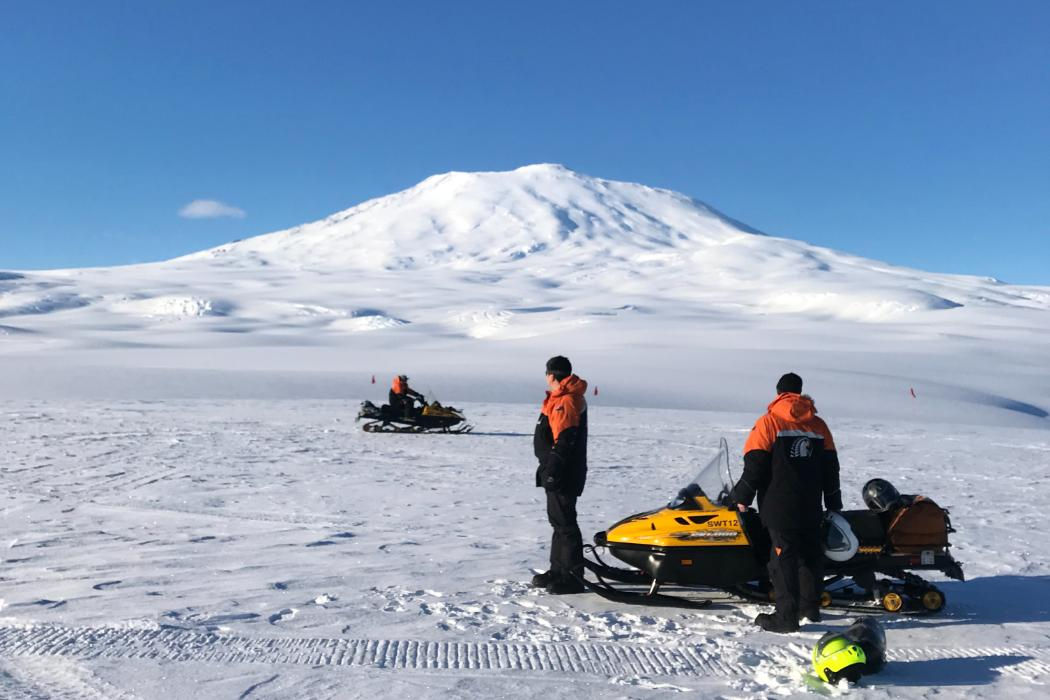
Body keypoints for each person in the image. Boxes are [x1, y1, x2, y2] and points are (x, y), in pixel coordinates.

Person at [729, 372, 842, 632]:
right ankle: (809, 610)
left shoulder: (768, 422)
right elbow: (831, 467)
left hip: (779, 506)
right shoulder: (818, 425)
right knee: (810, 557)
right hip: (811, 505)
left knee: (783, 560)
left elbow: (754, 465)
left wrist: (741, 498)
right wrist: (833, 501)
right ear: (800, 392)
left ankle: (786, 618)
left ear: (778, 392)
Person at [531, 355, 589, 595]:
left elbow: (565, 439)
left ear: (552, 375)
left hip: (563, 472)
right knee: (558, 522)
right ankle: (558, 570)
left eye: (547, 374)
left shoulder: (566, 400)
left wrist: (554, 469)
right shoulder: (557, 399)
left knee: (565, 523)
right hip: (554, 469)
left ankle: (573, 576)